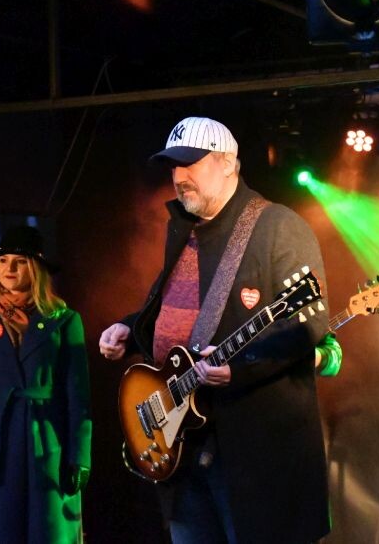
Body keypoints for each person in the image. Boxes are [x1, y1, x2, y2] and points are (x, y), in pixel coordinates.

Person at [98, 116, 331, 544]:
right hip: (184, 445)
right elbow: (171, 309)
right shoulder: (186, 230)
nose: (179, 176)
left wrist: (241, 369)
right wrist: (128, 329)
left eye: (191, 163)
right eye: (173, 166)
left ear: (227, 163)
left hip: (254, 454)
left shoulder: (277, 226)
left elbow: (307, 323)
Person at [0, 225, 92, 544]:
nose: (9, 268)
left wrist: (80, 457)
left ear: (36, 269)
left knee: (47, 531)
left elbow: (78, 397)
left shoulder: (63, 321)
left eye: (20, 261)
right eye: (3, 261)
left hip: (48, 444)